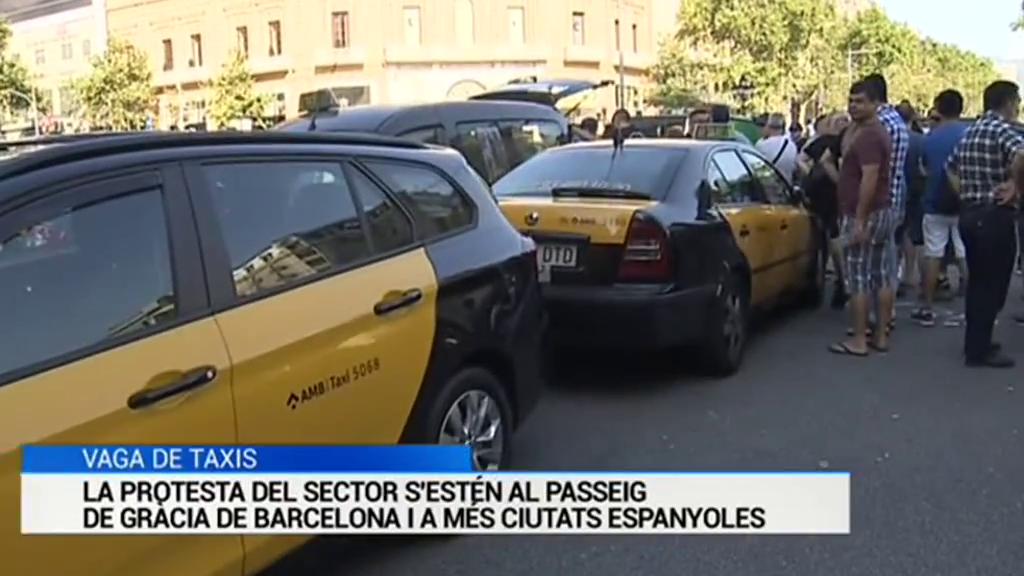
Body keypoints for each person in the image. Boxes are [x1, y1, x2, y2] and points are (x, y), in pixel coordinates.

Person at [946, 80, 1024, 368]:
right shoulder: (1002, 129)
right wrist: (1016, 185)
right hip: (994, 216)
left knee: (979, 282)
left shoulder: (972, 131)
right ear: (1009, 102)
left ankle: (976, 343)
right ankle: (980, 350)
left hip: (971, 213)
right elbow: (1022, 154)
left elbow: (949, 168)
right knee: (994, 285)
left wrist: (966, 194)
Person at [829, 81, 895, 357]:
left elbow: (869, 179)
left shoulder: (869, 136)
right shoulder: (869, 131)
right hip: (881, 211)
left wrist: (859, 219)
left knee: (858, 278)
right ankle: (880, 335)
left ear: (876, 104)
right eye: (851, 100)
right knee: (881, 275)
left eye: (860, 101)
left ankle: (859, 339)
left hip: (865, 213)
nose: (853, 106)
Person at [912, 89, 969, 327]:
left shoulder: (930, 138)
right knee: (965, 253)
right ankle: (973, 306)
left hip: (934, 203)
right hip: (964, 203)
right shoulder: (969, 135)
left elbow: (923, 169)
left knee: (932, 254)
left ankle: (927, 306)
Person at [862, 73, 908, 338]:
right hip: (893, 198)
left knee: (871, 267)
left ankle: (874, 321)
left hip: (878, 202)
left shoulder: (879, 125)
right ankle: (885, 320)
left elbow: (871, 171)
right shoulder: (897, 121)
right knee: (886, 264)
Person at [798, 112, 850, 309]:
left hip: (822, 191)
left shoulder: (821, 142)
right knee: (835, 234)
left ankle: (832, 276)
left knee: (826, 234)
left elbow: (800, 159)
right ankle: (842, 278)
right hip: (836, 192)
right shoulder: (846, 141)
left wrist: (810, 173)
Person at [897, 103, 927, 299]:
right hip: (917, 191)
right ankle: (910, 274)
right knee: (913, 236)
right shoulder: (920, 140)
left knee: (895, 236)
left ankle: (894, 274)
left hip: (897, 190)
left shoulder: (893, 137)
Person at [755, 113, 798, 184]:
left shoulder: (761, 145)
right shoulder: (792, 146)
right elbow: (794, 168)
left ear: (768, 126)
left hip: (766, 186)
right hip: (785, 185)